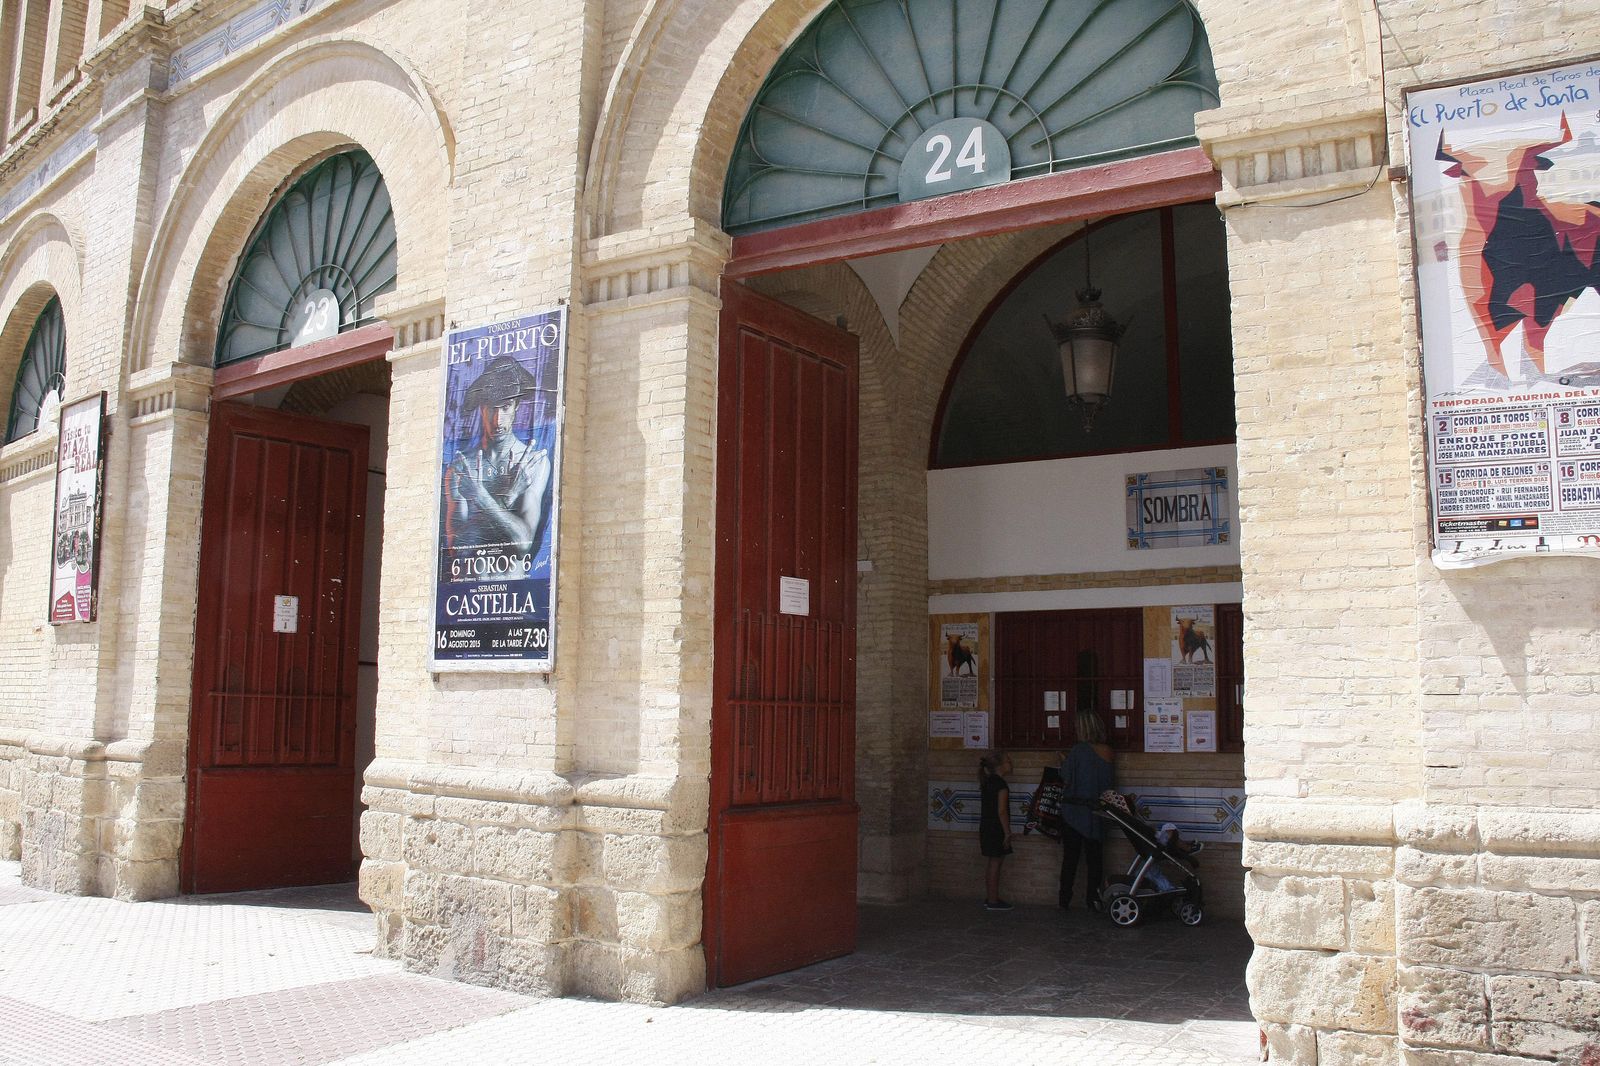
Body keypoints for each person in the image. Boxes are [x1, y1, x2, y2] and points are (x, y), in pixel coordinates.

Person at [444, 355, 552, 558]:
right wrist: (508, 498)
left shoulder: (532, 463)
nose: (498, 420)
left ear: (517, 406)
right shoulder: (461, 468)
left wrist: (480, 498)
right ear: (482, 407)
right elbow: (458, 549)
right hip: (468, 587)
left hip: (520, 588)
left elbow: (523, 542)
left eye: (505, 407)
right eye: (492, 407)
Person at [1056, 711, 1114, 910]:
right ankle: (1093, 899)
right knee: (1095, 860)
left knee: (1070, 860)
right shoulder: (1107, 751)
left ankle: (1064, 900)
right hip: (1097, 812)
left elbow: (1066, 778)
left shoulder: (1078, 750)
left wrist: (1064, 761)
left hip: (1074, 813)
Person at [978, 750, 1014, 911]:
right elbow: (1002, 811)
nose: (1010, 764)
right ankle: (993, 900)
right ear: (1000, 766)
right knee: (995, 862)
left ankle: (991, 897)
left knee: (993, 862)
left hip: (986, 826)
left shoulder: (988, 782)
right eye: (1008, 761)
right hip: (996, 828)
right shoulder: (1001, 785)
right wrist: (1007, 832)